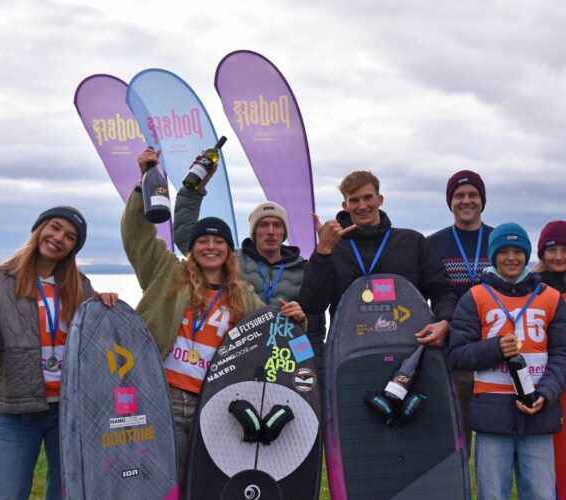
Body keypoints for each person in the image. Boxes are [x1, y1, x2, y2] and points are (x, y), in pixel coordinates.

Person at [122, 148, 307, 487]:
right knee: (165, 482)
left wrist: (296, 319)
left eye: (219, 241)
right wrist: (143, 184)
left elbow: (271, 332)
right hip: (163, 395)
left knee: (208, 483)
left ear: (228, 249)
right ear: (192, 248)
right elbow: (136, 238)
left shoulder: (242, 294)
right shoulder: (166, 274)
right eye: (202, 241)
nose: (210, 246)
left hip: (215, 401)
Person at [0, 206, 117, 500]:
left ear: (73, 248)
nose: (58, 238)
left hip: (70, 412)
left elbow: (96, 347)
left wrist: (106, 305)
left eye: (70, 237)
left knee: (67, 494)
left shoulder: (80, 284)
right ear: (39, 229)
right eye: (54, 227)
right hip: (17, 412)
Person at [447, 223, 566, 499]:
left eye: (518, 251)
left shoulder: (551, 298)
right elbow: (457, 353)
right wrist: (494, 348)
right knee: (493, 494)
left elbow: (565, 355)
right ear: (493, 256)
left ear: (527, 255)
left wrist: (546, 394)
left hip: (538, 412)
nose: (511, 258)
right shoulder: (475, 297)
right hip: (492, 418)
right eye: (503, 251)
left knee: (542, 494)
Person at [174, 174, 326, 370]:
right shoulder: (231, 261)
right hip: (236, 362)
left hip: (283, 365)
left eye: (277, 225)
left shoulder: (304, 271)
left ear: (284, 232)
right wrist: (192, 192)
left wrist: (310, 373)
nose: (270, 231)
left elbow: (313, 332)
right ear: (254, 231)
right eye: (263, 225)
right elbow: (188, 239)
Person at [299, 170, 458, 347]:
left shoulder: (412, 242)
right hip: (350, 352)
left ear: (379, 199)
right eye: (354, 200)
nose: (362, 205)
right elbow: (312, 305)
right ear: (345, 205)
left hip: (408, 350)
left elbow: (442, 290)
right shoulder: (333, 248)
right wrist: (322, 250)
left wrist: (445, 321)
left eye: (368, 197)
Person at [426, 169, 494, 458]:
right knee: (456, 440)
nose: (466, 201)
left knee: (496, 439)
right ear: (449, 202)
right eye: (459, 196)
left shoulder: (499, 240)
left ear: (482, 200)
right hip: (455, 353)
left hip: (496, 351)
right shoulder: (432, 244)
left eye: (473, 195)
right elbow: (423, 293)